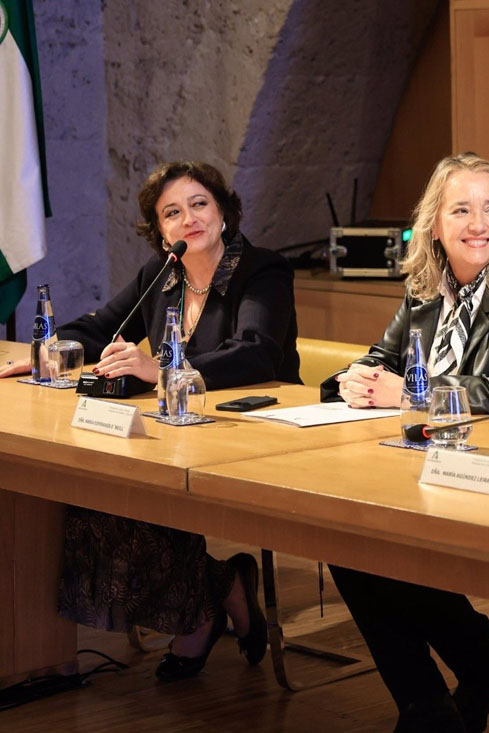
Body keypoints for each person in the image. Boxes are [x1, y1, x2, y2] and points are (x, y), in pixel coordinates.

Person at [0, 160, 300, 681]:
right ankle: (216, 592)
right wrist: (49, 349)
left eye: (200, 204)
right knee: (95, 497)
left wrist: (161, 368)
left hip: (248, 435)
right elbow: (98, 328)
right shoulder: (162, 277)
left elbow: (257, 354)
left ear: (224, 212)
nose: (189, 219)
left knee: (131, 499)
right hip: (171, 434)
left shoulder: (262, 270)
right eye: (172, 212)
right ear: (160, 233)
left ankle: (202, 610)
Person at [320, 152, 489, 733]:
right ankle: (437, 695)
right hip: (436, 463)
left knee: (382, 548)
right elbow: (382, 359)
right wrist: (356, 378)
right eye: (461, 209)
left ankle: (469, 673)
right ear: (434, 224)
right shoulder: (423, 292)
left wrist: (410, 395)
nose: (479, 224)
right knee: (349, 541)